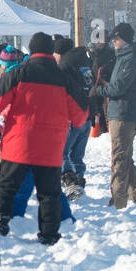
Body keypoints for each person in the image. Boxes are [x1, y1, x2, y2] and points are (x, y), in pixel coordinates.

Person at [0, 33, 87, 246]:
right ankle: (49, 234)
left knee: (6, 186)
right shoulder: (65, 79)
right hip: (51, 149)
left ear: (31, 50)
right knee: (49, 193)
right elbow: (81, 115)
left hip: (18, 145)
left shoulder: (16, 74)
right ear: (50, 51)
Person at [91, 23, 136, 209]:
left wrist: (99, 90)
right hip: (121, 110)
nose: (113, 40)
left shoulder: (129, 59)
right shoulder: (122, 57)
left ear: (126, 39)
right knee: (125, 155)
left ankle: (118, 200)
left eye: (117, 37)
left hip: (124, 112)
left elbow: (119, 87)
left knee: (119, 157)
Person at [54, 37, 92, 197]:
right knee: (77, 155)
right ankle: (79, 182)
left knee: (61, 153)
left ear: (59, 53)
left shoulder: (64, 67)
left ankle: (72, 184)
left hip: (72, 116)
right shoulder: (85, 64)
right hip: (88, 115)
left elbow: (62, 92)